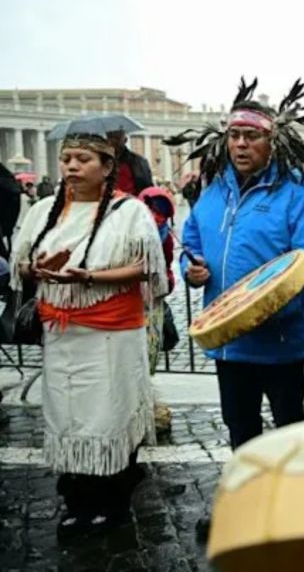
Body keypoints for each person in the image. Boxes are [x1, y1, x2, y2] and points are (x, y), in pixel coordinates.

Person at [10, 132, 168, 537]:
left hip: (112, 337)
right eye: (66, 159)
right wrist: (36, 269)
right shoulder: (44, 210)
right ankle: (77, 498)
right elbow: (22, 264)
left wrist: (91, 277)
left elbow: (146, 267)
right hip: (61, 336)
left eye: (83, 159)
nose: (72, 166)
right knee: (67, 414)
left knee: (108, 413)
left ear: (107, 166)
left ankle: (112, 501)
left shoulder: (129, 212)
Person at [177, 78, 304, 450]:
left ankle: (295, 487)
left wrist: (260, 310)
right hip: (228, 341)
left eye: (251, 136)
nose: (241, 144)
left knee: (289, 433)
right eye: (234, 135)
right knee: (240, 430)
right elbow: (191, 242)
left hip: (279, 343)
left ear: (273, 141)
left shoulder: (299, 193)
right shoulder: (214, 191)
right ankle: (249, 485)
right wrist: (190, 270)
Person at [137, 186, 178, 436]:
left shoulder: (166, 237)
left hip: (153, 304)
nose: (156, 215)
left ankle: (148, 410)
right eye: (153, 208)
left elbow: (168, 265)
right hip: (130, 304)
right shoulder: (132, 229)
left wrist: (166, 282)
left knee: (148, 357)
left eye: (162, 211)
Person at [105, 130, 153, 195]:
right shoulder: (102, 161)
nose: (114, 141)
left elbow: (147, 187)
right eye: (110, 137)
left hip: (133, 199)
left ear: (125, 140)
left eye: (117, 138)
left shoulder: (139, 162)